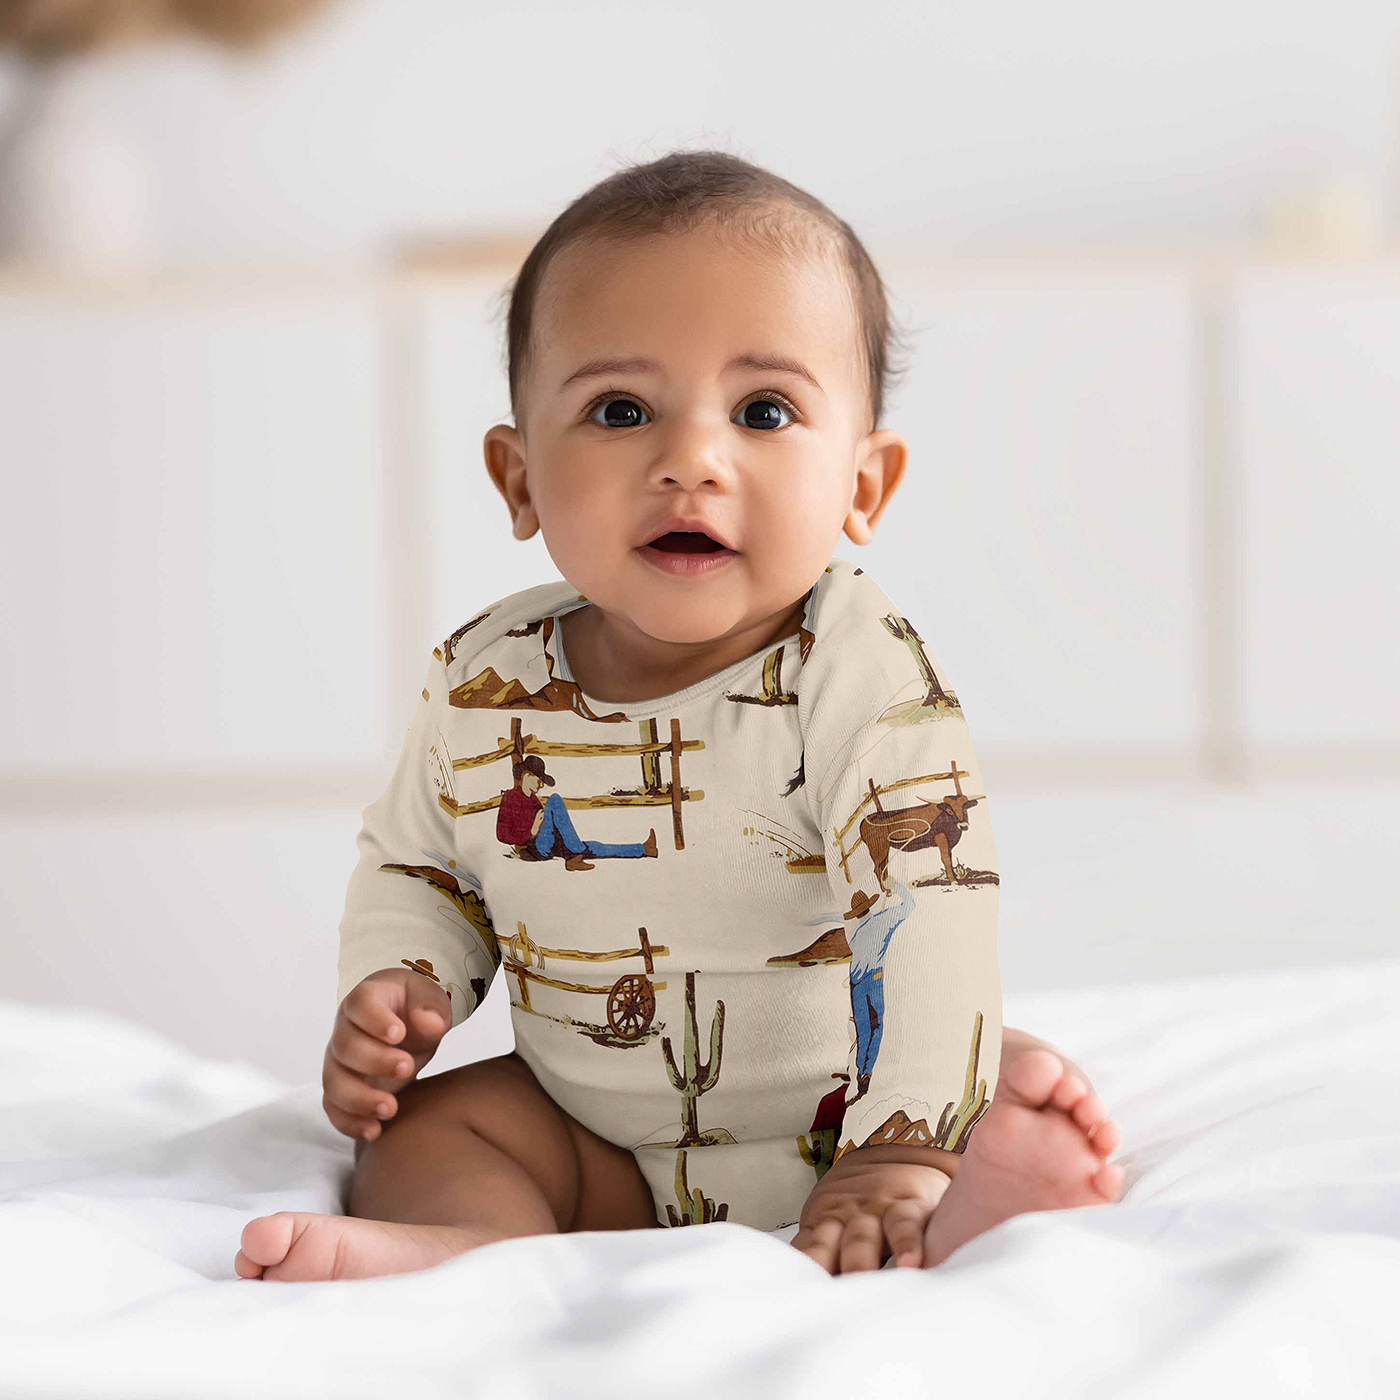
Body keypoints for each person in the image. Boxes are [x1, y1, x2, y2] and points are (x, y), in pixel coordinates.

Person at [235, 149, 1124, 1282]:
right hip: (596, 1135)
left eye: (763, 411)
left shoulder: (855, 671)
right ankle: (476, 1249)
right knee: (425, 1130)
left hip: (843, 1104)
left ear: (862, 485)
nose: (689, 460)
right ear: (518, 477)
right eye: (620, 410)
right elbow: (421, 861)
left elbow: (928, 905)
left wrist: (898, 1144)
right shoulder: (484, 679)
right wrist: (403, 979)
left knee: (994, 1109)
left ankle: (932, 1175)